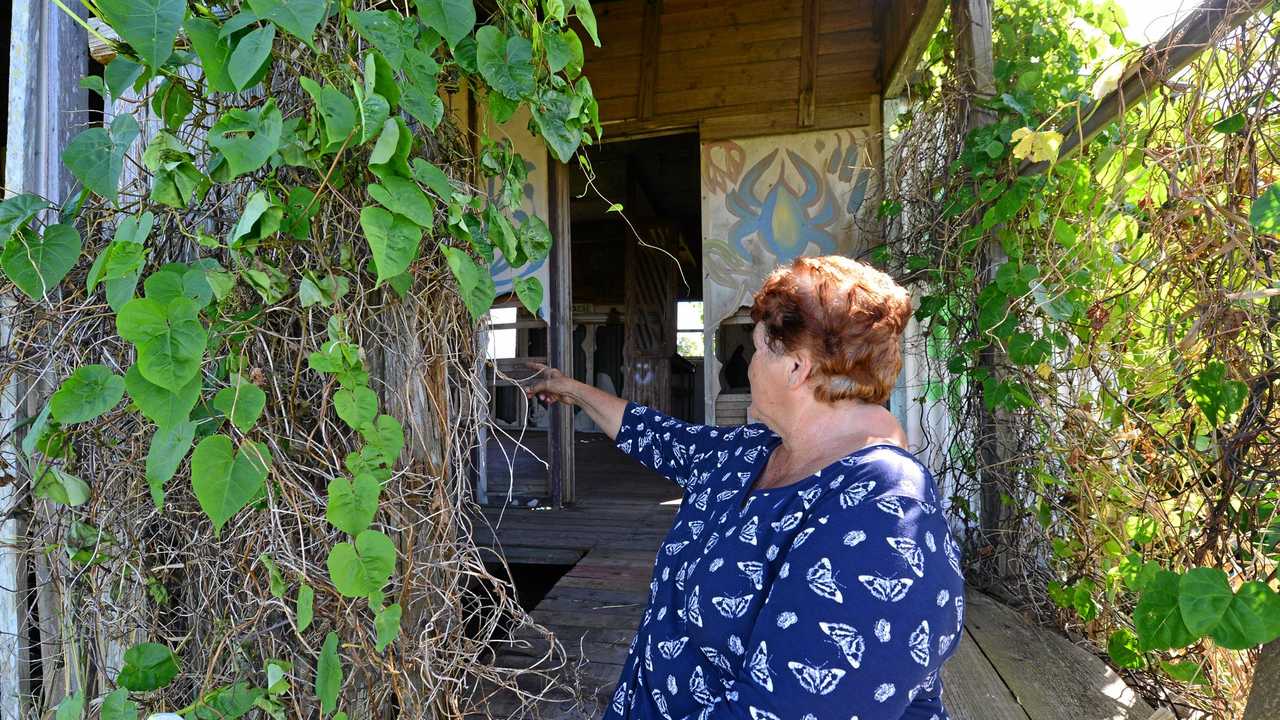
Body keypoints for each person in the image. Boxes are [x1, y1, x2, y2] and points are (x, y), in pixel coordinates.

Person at [523, 256, 964, 720]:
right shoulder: (752, 451)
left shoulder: (884, 511)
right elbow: (654, 434)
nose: (750, 366)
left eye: (756, 349)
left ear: (795, 368)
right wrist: (569, 389)